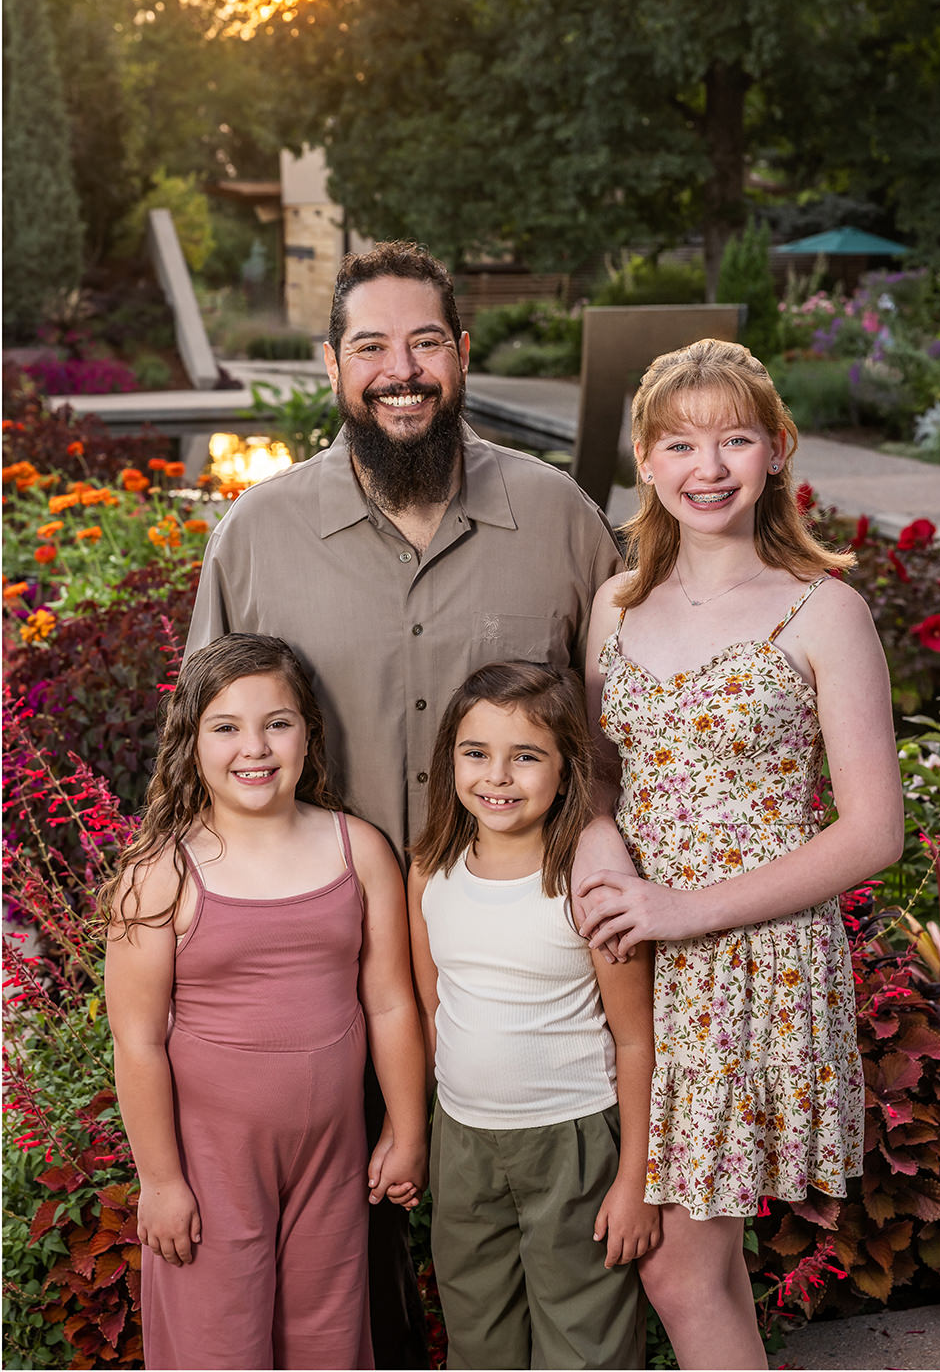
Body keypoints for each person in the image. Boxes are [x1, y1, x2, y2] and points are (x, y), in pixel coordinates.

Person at [184, 240, 622, 1365]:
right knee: (350, 1256)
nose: (401, 368)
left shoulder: (559, 517)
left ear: (462, 354)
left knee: (546, 1263)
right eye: (371, 345)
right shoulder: (257, 534)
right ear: (331, 365)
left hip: (526, 976)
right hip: (326, 966)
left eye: (425, 341)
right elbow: (205, 751)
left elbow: (620, 731)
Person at [576, 339, 904, 1370]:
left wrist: (689, 907)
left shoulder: (822, 606)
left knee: (679, 1262)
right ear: (645, 457)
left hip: (741, 964)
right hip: (626, 957)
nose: (705, 465)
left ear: (775, 450)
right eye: (679, 441)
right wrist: (602, 863)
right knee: (686, 1257)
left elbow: (871, 831)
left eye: (733, 438)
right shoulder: (614, 603)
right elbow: (589, 773)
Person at [103, 634, 427, 1371]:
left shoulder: (358, 850)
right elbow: (138, 1040)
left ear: (309, 732)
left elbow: (390, 1004)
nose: (254, 746)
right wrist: (160, 1180)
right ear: (191, 741)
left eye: (277, 722)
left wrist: (407, 1130)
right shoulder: (160, 873)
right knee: (220, 1344)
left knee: (329, 1337)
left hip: (331, 1159)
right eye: (226, 726)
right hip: (210, 1168)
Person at [408, 661, 657, 1371]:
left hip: (574, 1142)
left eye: (526, 756)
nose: (498, 776)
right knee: (478, 1337)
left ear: (566, 765)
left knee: (585, 1342)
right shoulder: (431, 869)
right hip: (465, 1141)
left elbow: (636, 1039)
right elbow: (432, 1005)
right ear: (449, 758)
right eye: (477, 752)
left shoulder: (588, 880)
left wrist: (633, 1178)